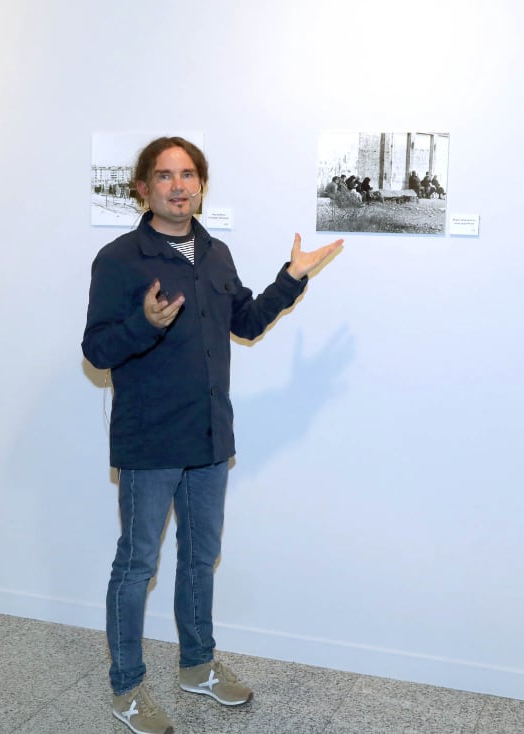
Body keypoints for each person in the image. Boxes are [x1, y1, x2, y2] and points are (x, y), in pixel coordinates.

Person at [82, 136, 343, 734]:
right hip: (149, 442)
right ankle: (126, 688)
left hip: (208, 440)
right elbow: (96, 351)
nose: (178, 186)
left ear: (201, 185)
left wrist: (293, 278)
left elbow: (245, 323)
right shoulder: (120, 259)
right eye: (165, 176)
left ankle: (196, 665)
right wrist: (142, 324)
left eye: (189, 174)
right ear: (143, 188)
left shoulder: (217, 253)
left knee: (201, 560)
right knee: (136, 567)